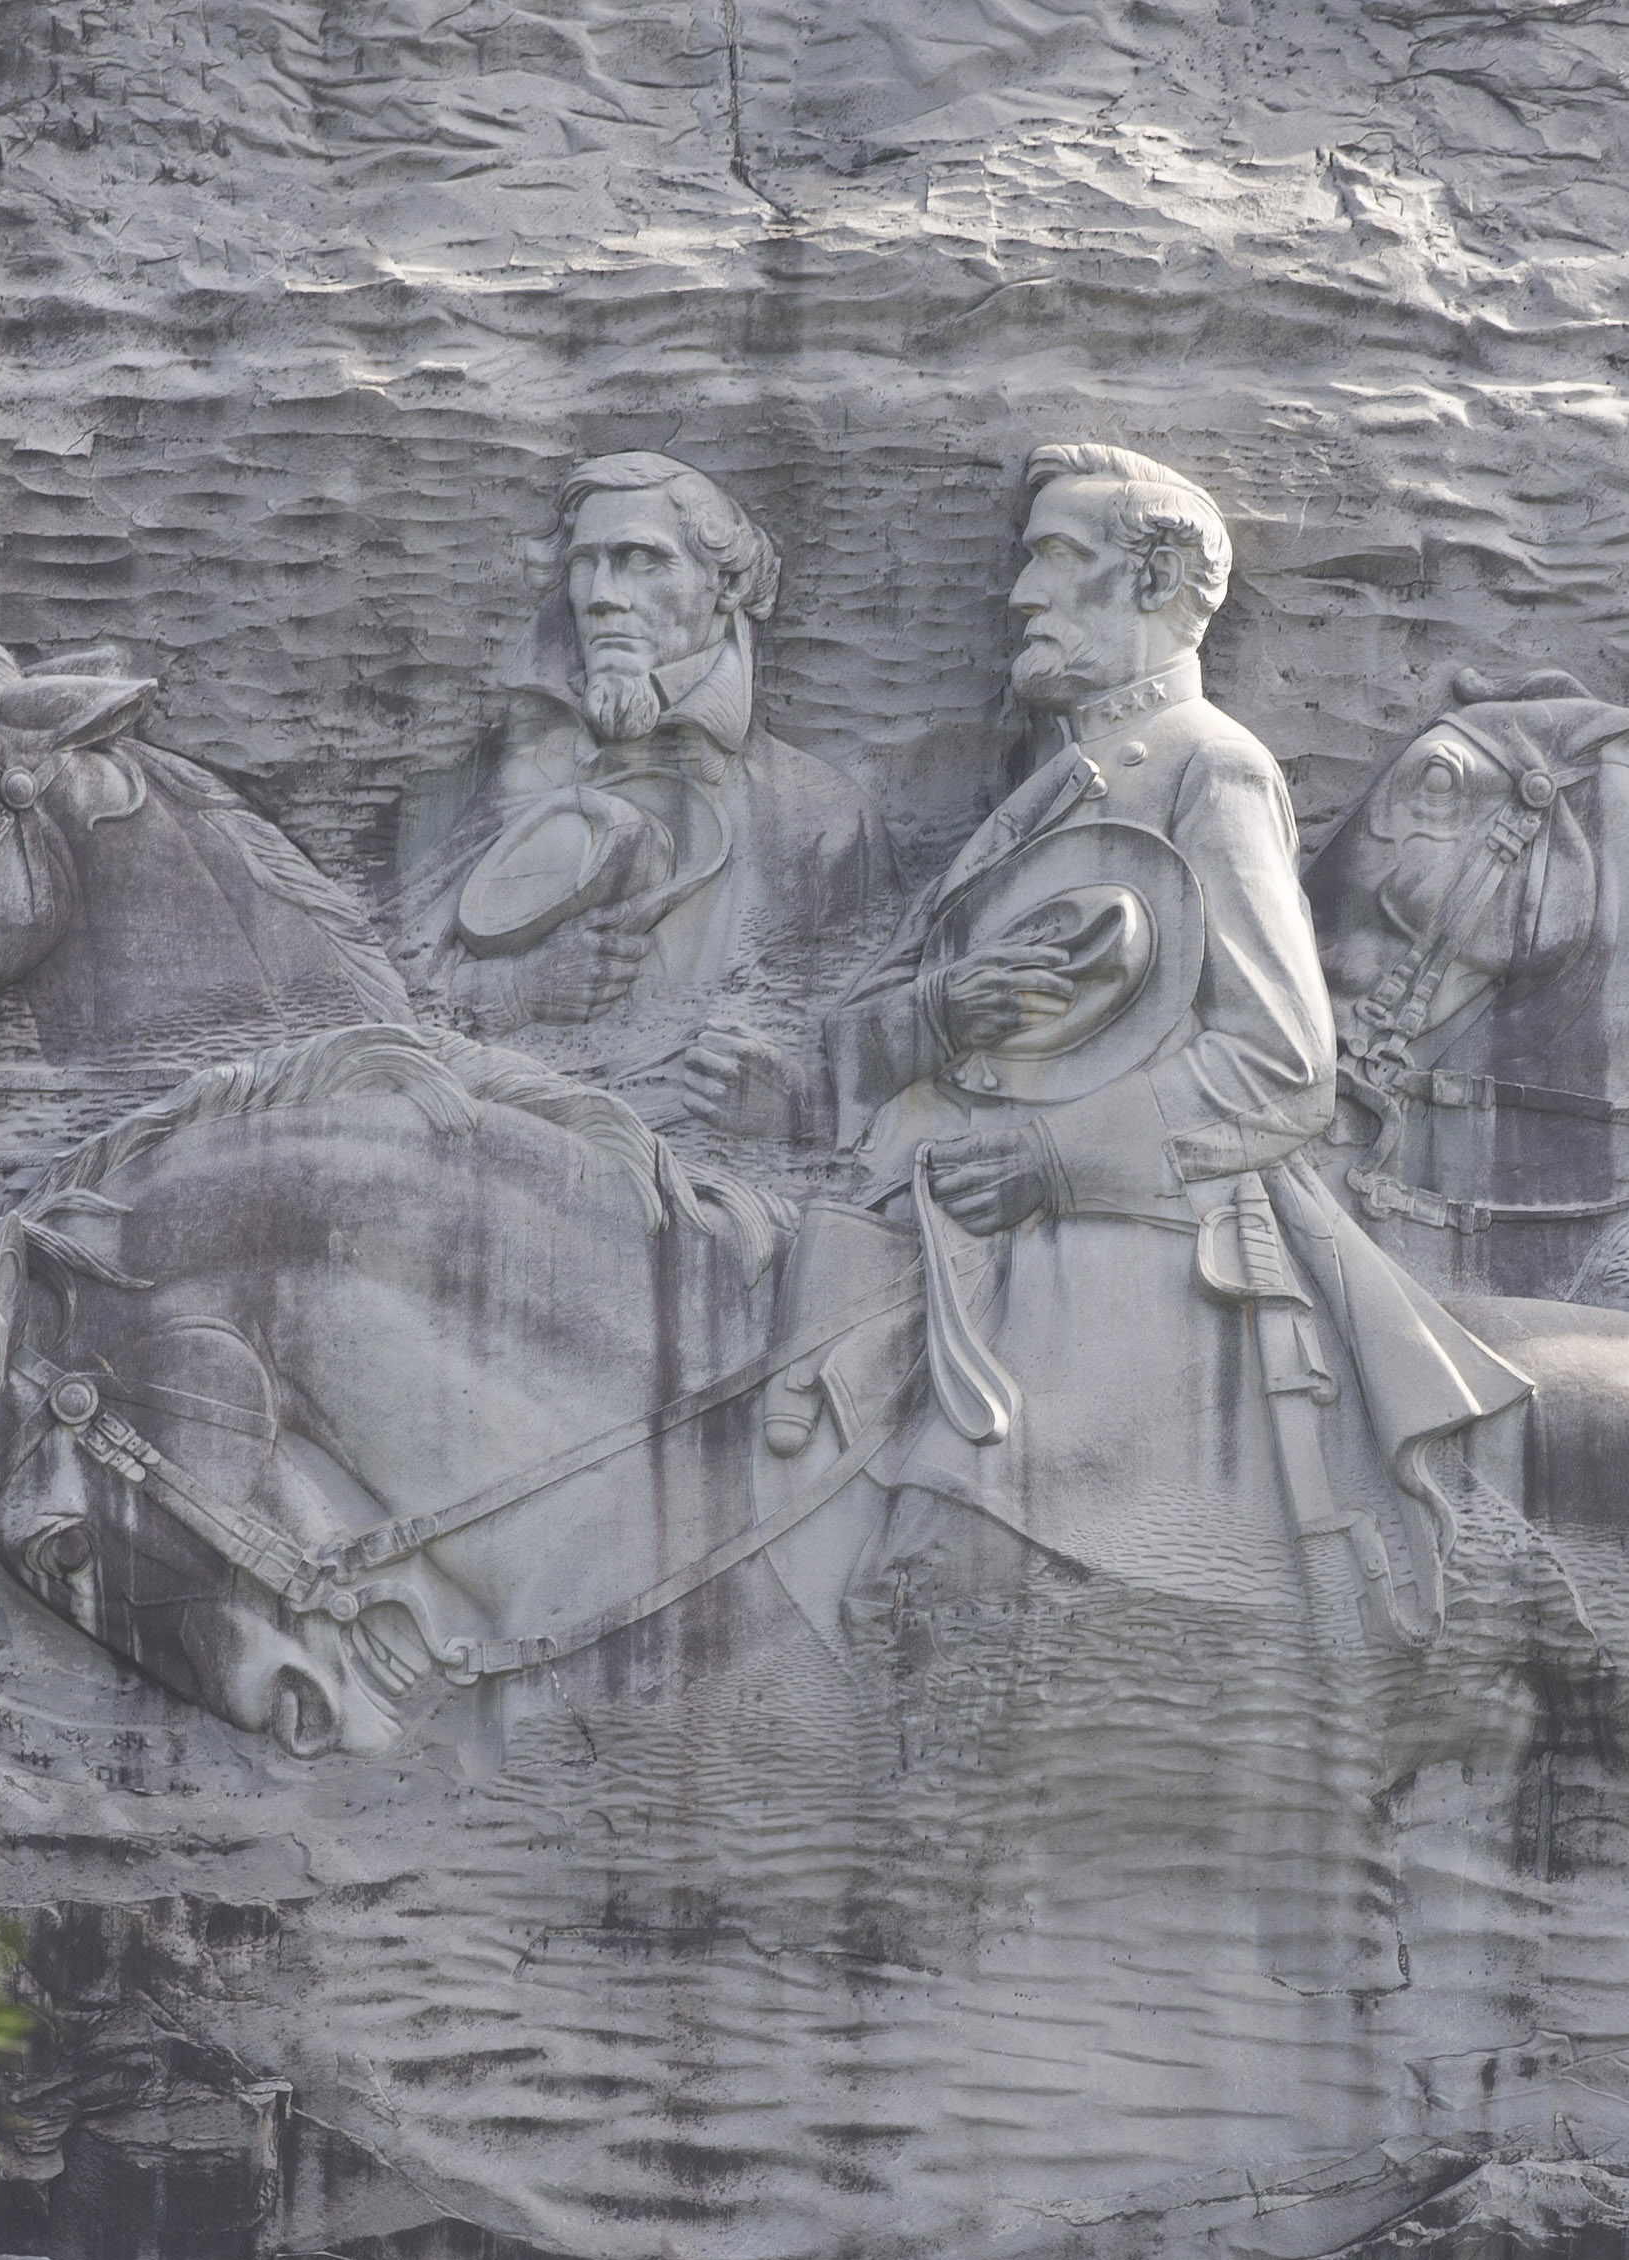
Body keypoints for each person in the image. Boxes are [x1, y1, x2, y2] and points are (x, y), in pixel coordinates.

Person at [809, 444, 1530, 1644]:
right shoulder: (1044, 795)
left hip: (1133, 1232)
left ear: (1159, 584)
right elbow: (854, 1038)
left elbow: (1283, 1066)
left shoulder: (1211, 768)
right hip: (941, 1206)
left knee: (946, 1572)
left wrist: (1053, 1159)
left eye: (1055, 558)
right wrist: (946, 1012)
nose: (1021, 595)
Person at [396, 453, 892, 1153]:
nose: (602, 595)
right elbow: (383, 990)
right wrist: (519, 991)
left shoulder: (821, 817)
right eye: (584, 563)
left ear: (725, 584)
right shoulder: (519, 781)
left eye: (639, 560)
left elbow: (892, 1063)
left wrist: (798, 1110)